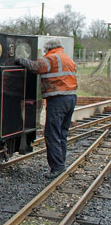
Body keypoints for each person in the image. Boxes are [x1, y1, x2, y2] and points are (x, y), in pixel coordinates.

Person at [15, 38, 77, 179]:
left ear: (48, 48)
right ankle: (61, 163)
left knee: (52, 134)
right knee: (62, 133)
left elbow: (36, 67)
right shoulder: (67, 58)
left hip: (58, 100)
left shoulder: (52, 58)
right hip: (71, 98)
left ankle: (56, 168)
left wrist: (21, 61)